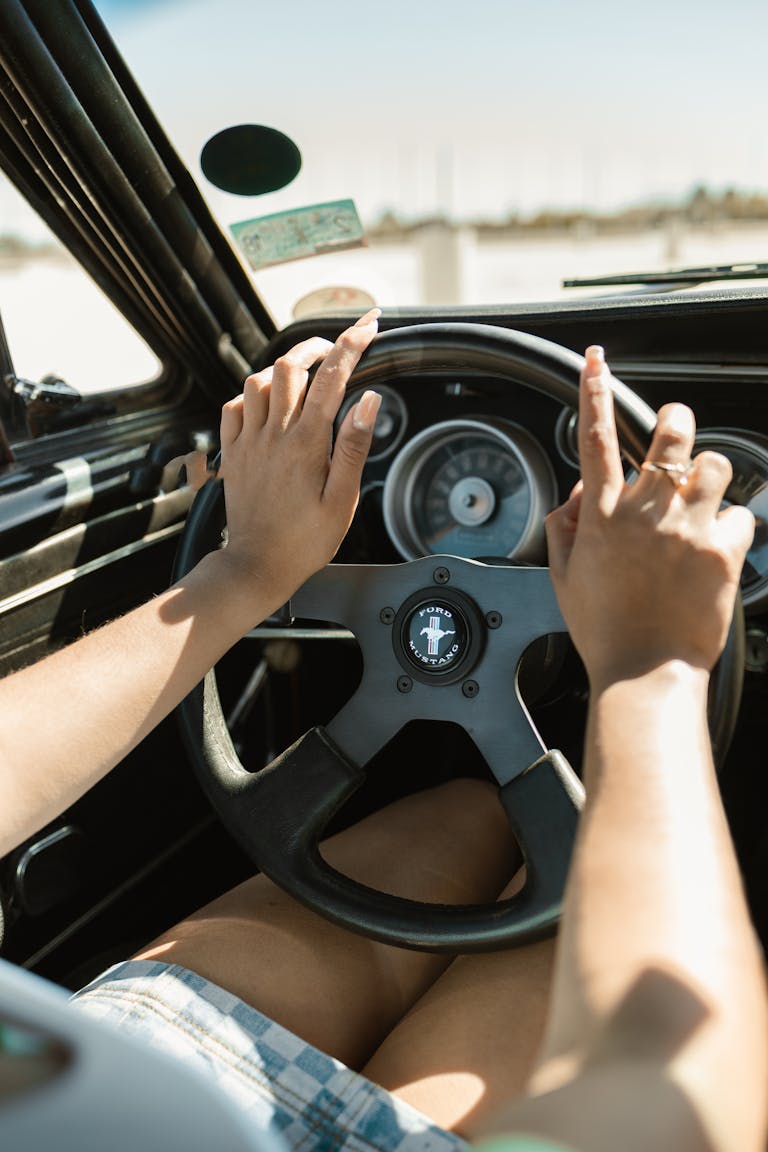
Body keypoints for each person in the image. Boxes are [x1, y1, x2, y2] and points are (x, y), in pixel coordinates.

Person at [0, 309, 765, 1152]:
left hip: (105, 1096)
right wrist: (650, 664)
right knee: (569, 895)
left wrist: (250, 567)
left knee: (474, 807)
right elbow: (681, 1106)